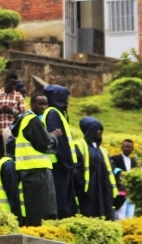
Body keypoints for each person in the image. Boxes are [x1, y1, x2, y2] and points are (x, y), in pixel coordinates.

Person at [14, 97, 59, 225]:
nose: (44, 107)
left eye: (45, 104)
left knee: (33, 206)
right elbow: (45, 144)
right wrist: (54, 137)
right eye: (40, 104)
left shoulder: (24, 119)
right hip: (37, 170)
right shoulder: (32, 120)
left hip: (28, 169)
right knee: (42, 208)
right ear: (32, 104)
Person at [41, 86, 77, 218]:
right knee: (61, 201)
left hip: (59, 164)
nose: (67, 101)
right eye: (65, 98)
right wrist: (69, 165)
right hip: (58, 165)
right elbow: (60, 143)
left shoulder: (54, 113)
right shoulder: (53, 114)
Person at [72, 117, 116, 220]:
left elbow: (111, 167)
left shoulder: (102, 150)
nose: (100, 131)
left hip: (104, 190)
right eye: (97, 129)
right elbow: (76, 168)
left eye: (101, 129)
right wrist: (81, 185)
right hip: (88, 191)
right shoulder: (78, 146)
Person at [0, 74, 26, 157]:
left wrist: (12, 110)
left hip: (13, 133)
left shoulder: (18, 96)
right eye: (11, 84)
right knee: (2, 157)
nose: (13, 87)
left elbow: (23, 115)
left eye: (15, 85)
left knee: (12, 156)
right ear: (5, 82)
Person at [0, 136, 24, 220]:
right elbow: (12, 192)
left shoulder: (2, 163)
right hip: (8, 214)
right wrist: (18, 216)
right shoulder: (10, 165)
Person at [110, 139, 138, 220]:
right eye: (126, 147)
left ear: (132, 149)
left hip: (130, 193)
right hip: (120, 191)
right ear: (122, 147)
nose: (127, 149)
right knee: (119, 215)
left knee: (130, 216)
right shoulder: (114, 159)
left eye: (129, 147)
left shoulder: (134, 162)